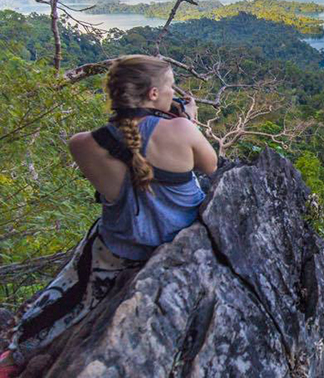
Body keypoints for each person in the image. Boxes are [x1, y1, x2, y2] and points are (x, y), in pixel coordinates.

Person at [0, 55, 218, 376]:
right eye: (171, 87)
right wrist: (188, 122)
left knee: (70, 288)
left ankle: (16, 352)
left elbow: (132, 161)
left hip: (117, 251)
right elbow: (210, 166)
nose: (174, 93)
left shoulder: (82, 144)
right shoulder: (182, 129)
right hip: (178, 241)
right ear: (154, 94)